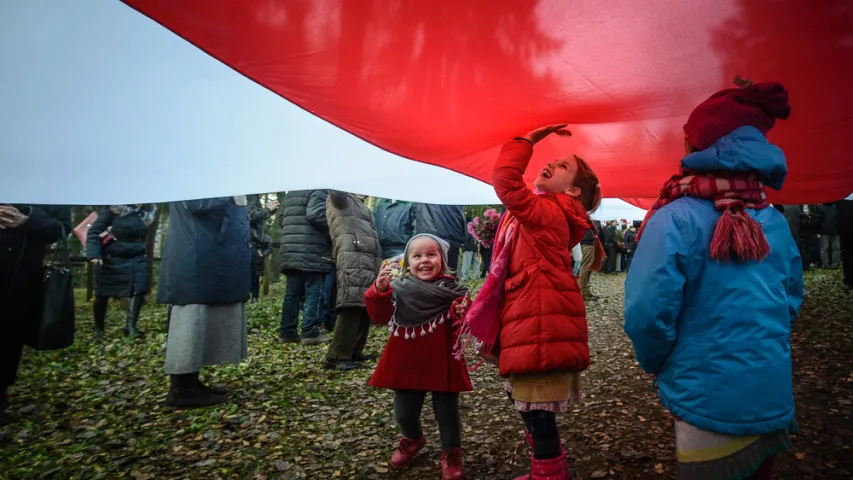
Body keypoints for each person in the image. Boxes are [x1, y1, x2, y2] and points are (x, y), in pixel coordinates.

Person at [625, 77, 803, 480]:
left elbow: (647, 311)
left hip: (708, 404)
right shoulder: (773, 220)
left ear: (697, 147)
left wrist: (656, 362)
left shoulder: (673, 218)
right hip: (772, 395)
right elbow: (791, 299)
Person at [456, 124, 602, 479]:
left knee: (537, 410)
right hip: (533, 315)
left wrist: (527, 142)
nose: (550, 163)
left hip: (539, 320)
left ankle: (549, 474)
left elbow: (506, 181)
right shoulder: (547, 211)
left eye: (562, 165)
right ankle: (548, 465)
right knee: (528, 402)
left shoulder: (550, 211)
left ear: (572, 189)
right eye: (551, 159)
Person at [366, 234, 471, 480]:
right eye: (417, 255)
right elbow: (380, 318)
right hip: (407, 360)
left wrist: (462, 312)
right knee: (404, 411)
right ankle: (412, 439)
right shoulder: (399, 288)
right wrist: (379, 292)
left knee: (446, 412)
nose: (424, 260)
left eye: (431, 254)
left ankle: (451, 453)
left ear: (442, 260)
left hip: (442, 360)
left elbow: (465, 321)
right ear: (407, 262)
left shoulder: (453, 290)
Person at [158, 196, 251, 408]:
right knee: (190, 322)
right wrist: (231, 196)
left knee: (199, 321)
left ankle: (191, 382)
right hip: (195, 256)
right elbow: (195, 203)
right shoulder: (189, 174)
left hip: (205, 252)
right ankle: (180, 389)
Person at [0, 204, 71, 425]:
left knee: (7, 340)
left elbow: (60, 229)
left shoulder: (52, 190)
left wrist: (28, 220)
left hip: (19, 280)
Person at [324, 190, 382, 371]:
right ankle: (337, 355)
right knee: (351, 305)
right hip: (352, 257)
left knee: (365, 305)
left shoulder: (361, 205)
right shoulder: (341, 200)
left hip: (367, 258)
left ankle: (354, 350)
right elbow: (336, 189)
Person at [86, 204, 156, 338]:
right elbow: (94, 232)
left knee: (139, 289)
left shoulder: (146, 214)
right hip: (111, 257)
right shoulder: (113, 210)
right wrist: (94, 254)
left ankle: (131, 327)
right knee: (102, 293)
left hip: (137, 257)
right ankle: (99, 328)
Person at [278, 190, 335, 345]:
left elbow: (281, 219)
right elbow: (315, 215)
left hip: (291, 249)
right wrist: (335, 221)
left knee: (292, 294)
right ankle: (310, 332)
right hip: (311, 249)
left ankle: (287, 331)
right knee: (313, 292)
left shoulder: (291, 193)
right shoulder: (318, 190)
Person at [412, 203, 467, 271]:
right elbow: (460, 217)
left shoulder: (422, 198)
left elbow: (413, 215)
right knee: (449, 273)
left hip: (427, 237)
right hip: (452, 239)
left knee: (428, 271)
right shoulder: (455, 198)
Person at [247, 195, 278, 304]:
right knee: (248, 276)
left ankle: (254, 299)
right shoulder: (250, 196)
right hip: (250, 244)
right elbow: (251, 216)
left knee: (254, 277)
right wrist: (267, 209)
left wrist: (269, 212)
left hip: (256, 249)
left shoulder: (254, 199)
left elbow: (257, 221)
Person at [577, 222, 604, 301]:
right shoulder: (582, 216)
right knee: (586, 267)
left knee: (587, 267)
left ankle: (585, 291)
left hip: (587, 242)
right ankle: (584, 292)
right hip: (586, 242)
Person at [812, 203, 840, 269]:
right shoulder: (836, 206)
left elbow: (817, 219)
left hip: (824, 231)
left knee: (824, 249)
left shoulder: (819, 207)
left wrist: (817, 231)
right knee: (836, 249)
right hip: (835, 230)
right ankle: (835, 264)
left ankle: (825, 265)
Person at [839, 198, 853, 290]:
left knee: (847, 254)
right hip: (845, 230)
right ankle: (849, 280)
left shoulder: (842, 198)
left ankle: (849, 280)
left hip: (844, 230)